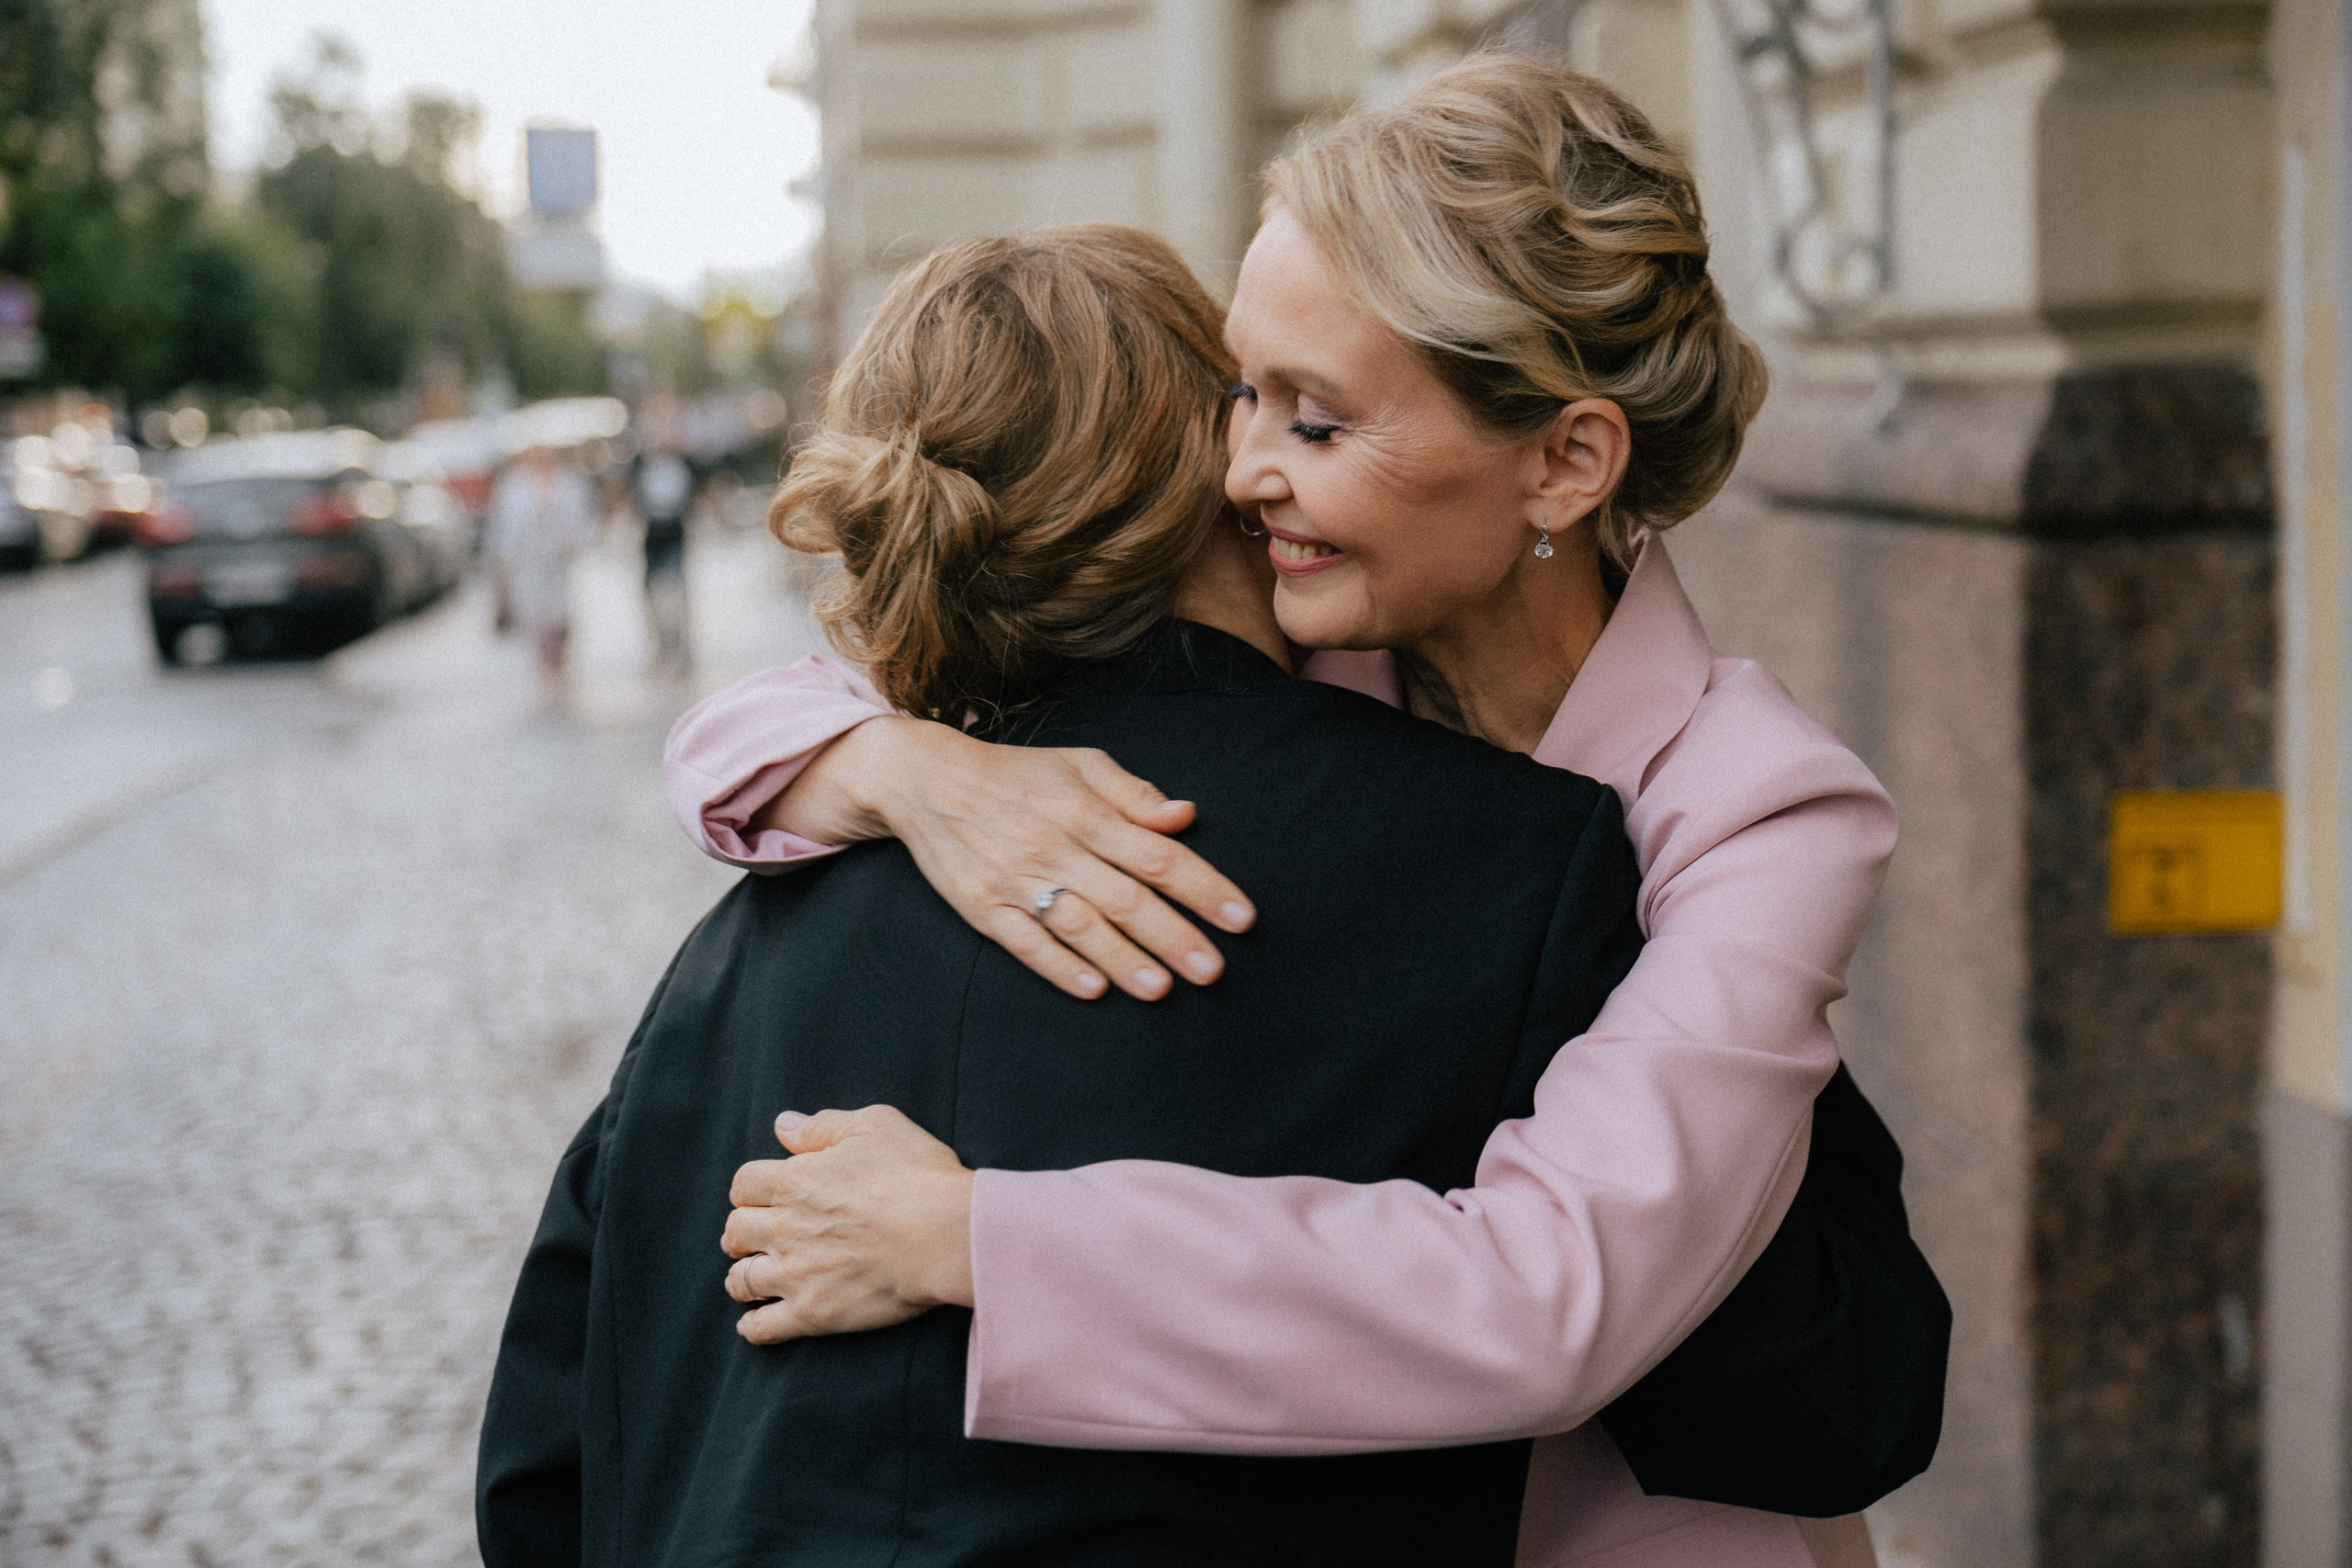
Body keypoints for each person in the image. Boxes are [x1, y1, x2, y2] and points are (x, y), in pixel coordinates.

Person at [666, 53, 1945, 1565]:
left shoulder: (1763, 809)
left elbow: (1545, 1294)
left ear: (1563, 460)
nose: (1244, 472)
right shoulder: (1300, 648)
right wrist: (909, 771)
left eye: (1316, 423)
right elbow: (769, 706)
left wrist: (985, 1240)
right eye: (1243, 394)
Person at [478, 224, 1650, 1566]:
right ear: (1219, 465)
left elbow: (541, 1470)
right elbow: (1808, 1398)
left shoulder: (733, 954)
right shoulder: (1511, 864)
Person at [486, 444, 599, 680]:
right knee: (533, 611)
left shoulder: (569, 482)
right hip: (528, 560)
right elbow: (504, 525)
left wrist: (576, 541)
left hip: (559, 557)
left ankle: (558, 654)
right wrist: (502, 560)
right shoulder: (515, 486)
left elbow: (584, 519)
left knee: (560, 610)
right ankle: (544, 661)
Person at [631, 437, 695, 673]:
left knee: (677, 592)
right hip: (653, 535)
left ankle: (680, 646)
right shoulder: (643, 469)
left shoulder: (679, 468)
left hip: (672, 532)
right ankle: (661, 645)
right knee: (651, 592)